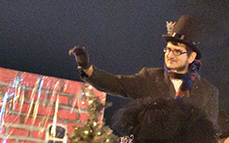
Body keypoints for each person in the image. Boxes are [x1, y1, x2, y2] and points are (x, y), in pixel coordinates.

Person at [69, 15, 218, 124]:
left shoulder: (207, 92)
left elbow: (209, 137)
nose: (170, 55)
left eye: (177, 51)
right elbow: (117, 84)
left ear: (191, 57)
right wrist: (88, 69)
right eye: (168, 49)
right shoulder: (150, 77)